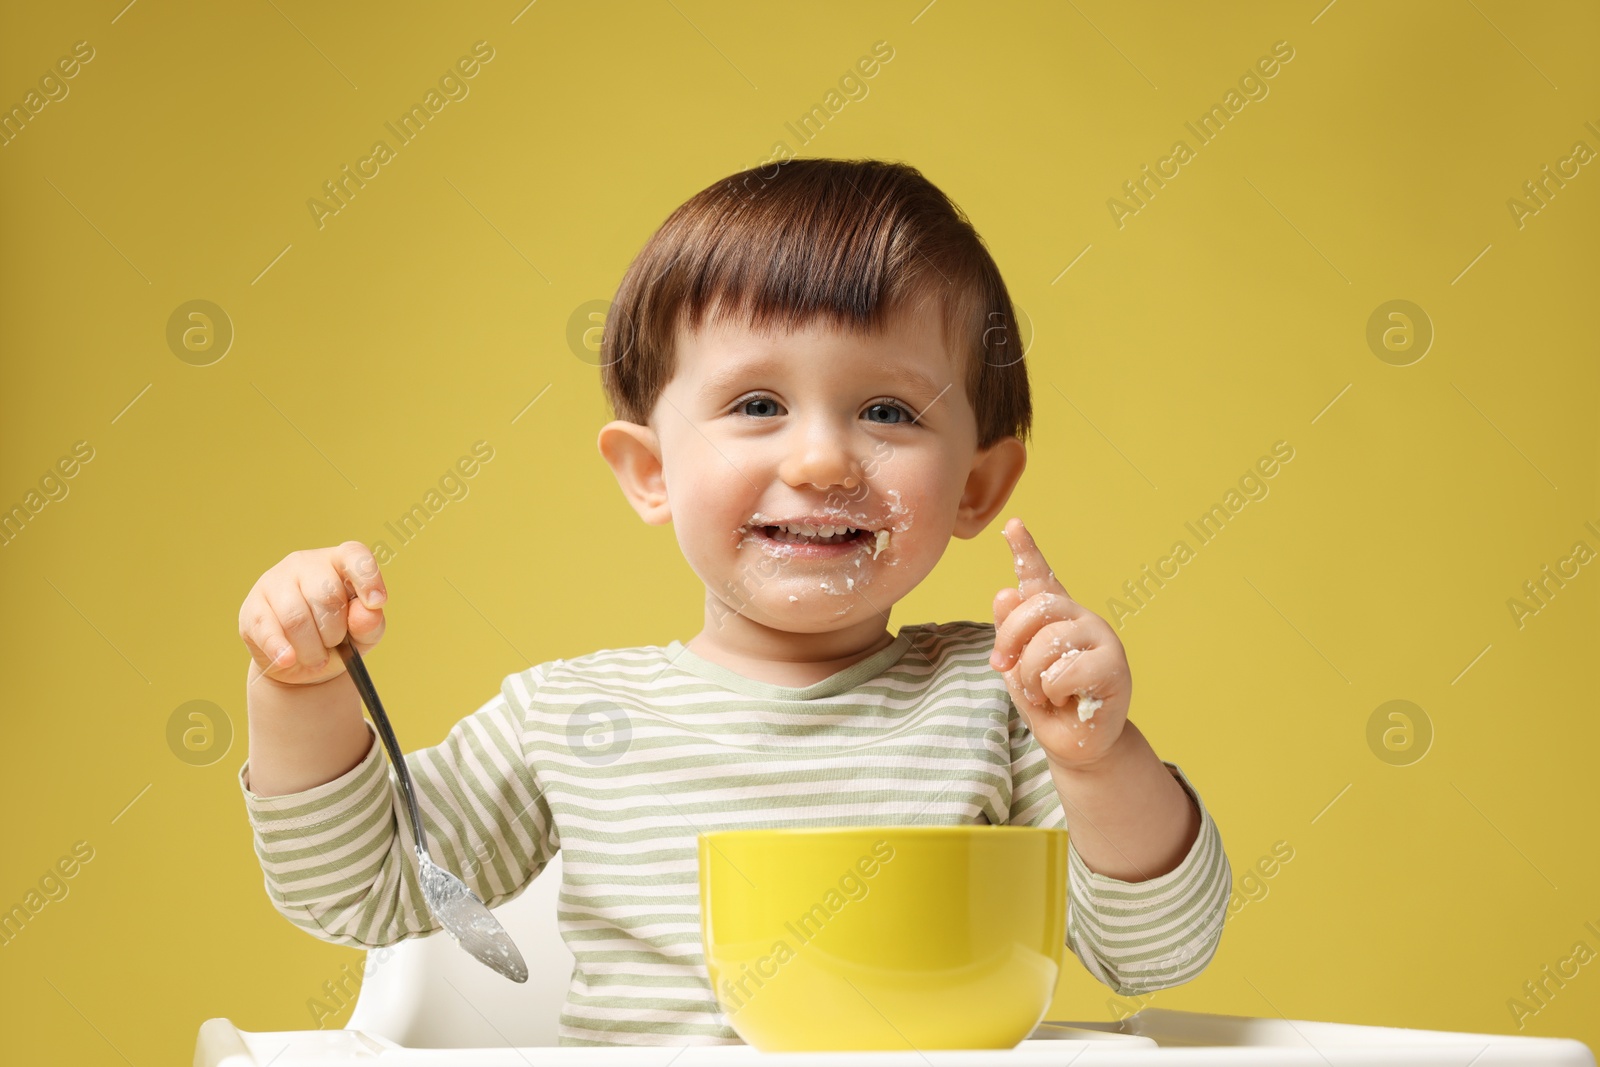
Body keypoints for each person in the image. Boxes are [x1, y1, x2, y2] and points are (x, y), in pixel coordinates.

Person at [236, 157, 1230, 1046]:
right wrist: (301, 686)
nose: (820, 457)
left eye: (887, 409)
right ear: (648, 470)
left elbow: (1157, 951)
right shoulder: (570, 717)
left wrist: (1098, 757)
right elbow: (358, 885)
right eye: (757, 404)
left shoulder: (1000, 698)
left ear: (976, 484)